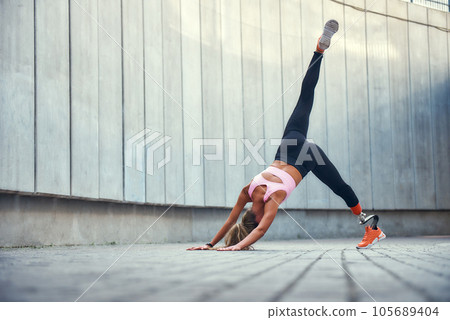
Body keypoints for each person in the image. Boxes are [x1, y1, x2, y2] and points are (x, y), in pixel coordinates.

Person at [187, 20, 385, 252]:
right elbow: (232, 221)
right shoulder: (248, 190)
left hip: (305, 153)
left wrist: (232, 246)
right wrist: (211, 244)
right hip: (290, 146)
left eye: (259, 221)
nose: (263, 221)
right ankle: (319, 50)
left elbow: (254, 229)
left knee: (340, 186)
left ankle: (369, 226)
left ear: (256, 217)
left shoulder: (274, 199)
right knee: (306, 98)